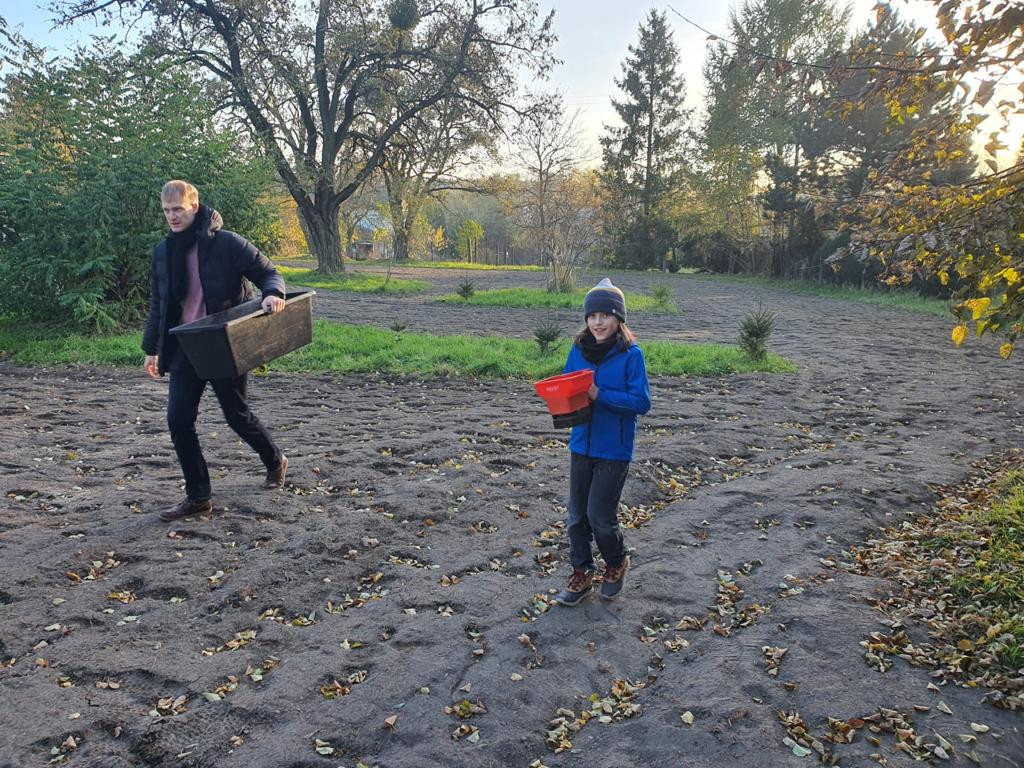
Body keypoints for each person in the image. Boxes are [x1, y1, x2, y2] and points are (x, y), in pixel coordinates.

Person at [142, 180, 289, 522]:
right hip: (184, 346)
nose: (172, 217)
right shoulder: (163, 252)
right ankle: (198, 497)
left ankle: (274, 460)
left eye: (177, 209)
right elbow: (158, 305)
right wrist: (152, 348)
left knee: (236, 415)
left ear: (194, 207)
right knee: (178, 420)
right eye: (166, 211)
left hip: (224, 344)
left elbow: (269, 272)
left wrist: (272, 293)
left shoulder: (226, 243)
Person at [555, 278, 651, 605]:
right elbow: (569, 387)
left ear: (619, 318)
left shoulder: (631, 355)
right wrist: (559, 401)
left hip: (614, 449)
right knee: (576, 517)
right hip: (581, 444)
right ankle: (581, 572)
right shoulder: (578, 350)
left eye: (605, 315)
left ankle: (615, 562)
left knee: (600, 516)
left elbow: (641, 402)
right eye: (592, 315)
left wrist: (600, 394)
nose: (598, 322)